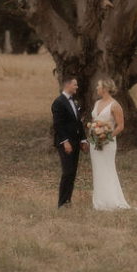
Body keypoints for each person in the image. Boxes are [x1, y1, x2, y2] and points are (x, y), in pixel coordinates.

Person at [88, 79, 137, 212]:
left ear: (105, 89)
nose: (96, 88)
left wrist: (106, 136)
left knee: (108, 169)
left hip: (107, 143)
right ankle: (99, 200)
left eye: (98, 86)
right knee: (98, 170)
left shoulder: (115, 105)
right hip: (95, 143)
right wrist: (95, 134)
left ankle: (111, 200)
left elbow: (120, 126)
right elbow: (95, 121)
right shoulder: (97, 103)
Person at [49, 77, 86, 208]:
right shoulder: (58, 102)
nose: (77, 87)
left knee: (73, 173)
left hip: (76, 142)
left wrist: (83, 139)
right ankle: (62, 202)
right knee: (67, 172)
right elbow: (58, 125)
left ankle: (68, 201)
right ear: (68, 85)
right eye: (75, 85)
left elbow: (79, 122)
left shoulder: (74, 102)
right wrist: (65, 142)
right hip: (66, 144)